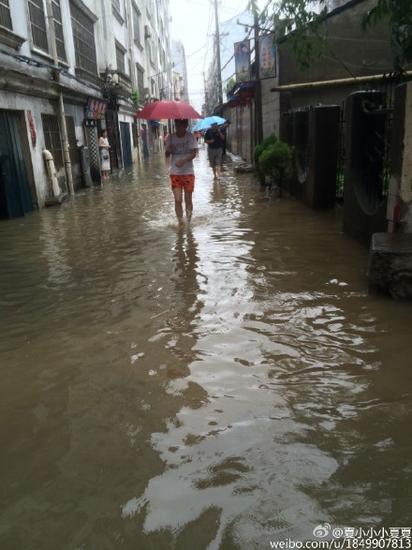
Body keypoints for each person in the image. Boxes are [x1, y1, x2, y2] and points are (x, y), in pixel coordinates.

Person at [165, 119, 198, 223]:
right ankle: (180, 222)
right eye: (177, 125)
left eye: (181, 125)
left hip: (188, 172)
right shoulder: (170, 138)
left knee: (188, 199)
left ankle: (188, 221)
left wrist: (184, 160)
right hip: (175, 173)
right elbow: (167, 155)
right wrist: (168, 151)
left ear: (186, 126)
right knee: (178, 199)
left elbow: (194, 153)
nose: (178, 127)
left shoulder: (190, 137)